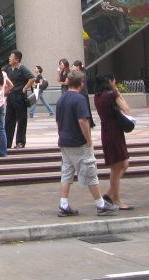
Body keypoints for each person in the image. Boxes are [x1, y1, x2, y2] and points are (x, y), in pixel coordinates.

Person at [55, 72, 119, 217]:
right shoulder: (80, 99)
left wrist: (62, 134)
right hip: (78, 142)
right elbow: (83, 120)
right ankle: (101, 205)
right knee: (90, 172)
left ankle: (63, 204)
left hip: (65, 141)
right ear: (81, 83)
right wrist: (88, 139)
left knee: (66, 172)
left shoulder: (61, 99)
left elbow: (58, 121)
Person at [93, 74, 133, 210]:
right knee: (116, 168)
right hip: (115, 132)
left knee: (124, 163)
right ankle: (116, 199)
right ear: (110, 81)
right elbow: (127, 109)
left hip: (107, 131)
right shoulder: (112, 94)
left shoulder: (97, 97)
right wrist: (117, 91)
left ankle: (110, 194)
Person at [4, 50, 34, 148]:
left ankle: (20, 142)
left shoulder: (22, 69)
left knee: (21, 120)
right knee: (9, 120)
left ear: (17, 59)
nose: (9, 58)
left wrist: (25, 88)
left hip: (20, 96)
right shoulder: (8, 69)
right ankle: (7, 142)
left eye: (11, 57)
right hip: (10, 96)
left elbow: (32, 78)